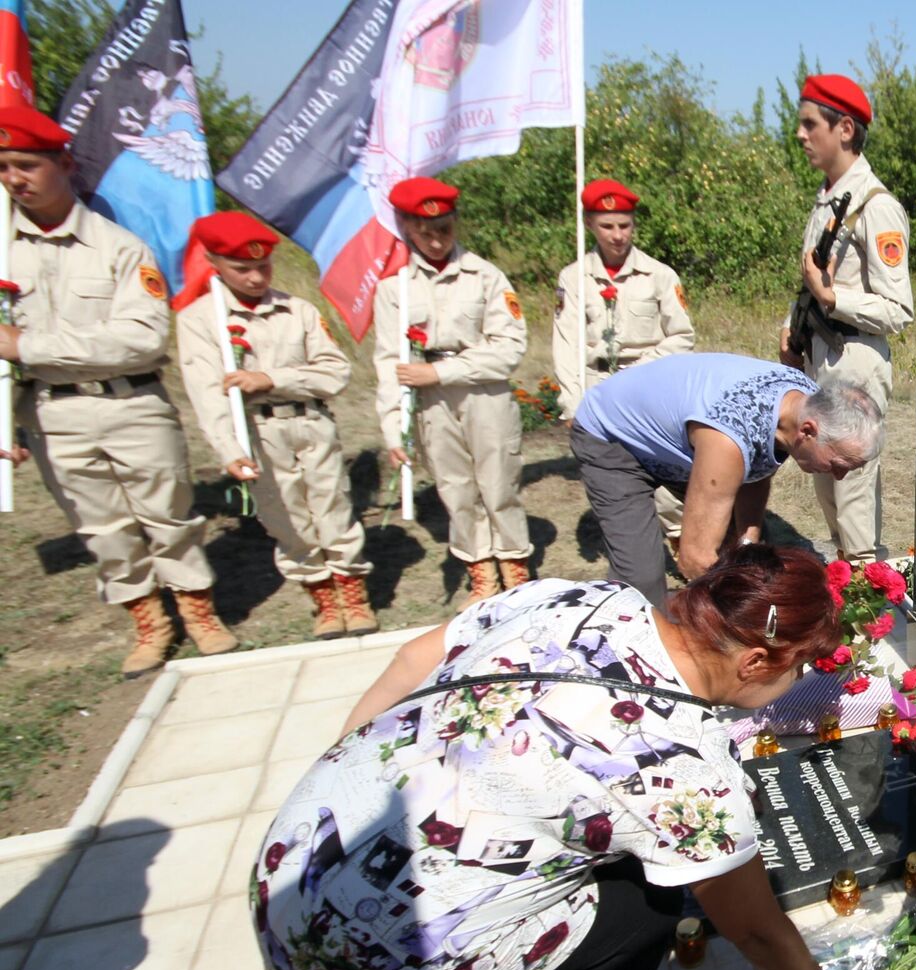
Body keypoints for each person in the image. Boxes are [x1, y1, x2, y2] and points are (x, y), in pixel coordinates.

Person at [252, 545, 873, 970]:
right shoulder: (691, 776)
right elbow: (755, 930)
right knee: (648, 903)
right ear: (756, 662)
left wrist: (362, 773)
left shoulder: (581, 598)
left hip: (291, 858)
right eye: (800, 668)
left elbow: (413, 662)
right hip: (365, 963)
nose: (798, 681)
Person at [0, 105, 237, 676]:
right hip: (53, 413)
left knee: (168, 515)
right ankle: (148, 624)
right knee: (101, 526)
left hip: (131, 403)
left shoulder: (119, 247)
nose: (15, 180)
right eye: (4, 168)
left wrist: (27, 345)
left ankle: (199, 614)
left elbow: (141, 339)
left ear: (64, 164)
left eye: (27, 165)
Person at [175, 211, 379, 640]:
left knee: (334, 509)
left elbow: (334, 372)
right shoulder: (199, 320)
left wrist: (272, 379)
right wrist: (229, 450)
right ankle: (322, 599)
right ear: (214, 263)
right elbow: (206, 393)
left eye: (262, 266)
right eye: (241, 268)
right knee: (285, 517)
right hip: (258, 433)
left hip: (311, 423)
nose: (254, 278)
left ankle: (353, 594)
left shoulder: (297, 310)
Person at [571, 352, 882, 604]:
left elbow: (756, 469)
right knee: (640, 579)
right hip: (614, 439)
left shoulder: (802, 404)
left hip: (685, 441)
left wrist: (748, 543)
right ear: (808, 432)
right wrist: (739, 619)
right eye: (839, 463)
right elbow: (695, 557)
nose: (840, 476)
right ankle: (633, 655)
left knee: (754, 556)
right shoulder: (731, 434)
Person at [373, 177, 533, 607]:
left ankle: (514, 567)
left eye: (444, 229)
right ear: (406, 227)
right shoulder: (395, 290)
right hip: (430, 404)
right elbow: (389, 363)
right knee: (455, 488)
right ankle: (480, 571)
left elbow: (509, 348)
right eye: (425, 231)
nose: (436, 240)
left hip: (484, 394)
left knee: (499, 482)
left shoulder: (485, 276)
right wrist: (394, 431)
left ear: (455, 222)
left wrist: (440, 371)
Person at [776, 73, 913, 561]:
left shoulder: (876, 207)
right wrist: (793, 334)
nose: (801, 134)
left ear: (846, 129)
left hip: (855, 363)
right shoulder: (831, 200)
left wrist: (833, 301)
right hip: (820, 360)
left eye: (811, 124)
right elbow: (813, 284)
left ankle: (867, 618)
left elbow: (898, 309)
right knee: (829, 498)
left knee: (853, 507)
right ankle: (850, 601)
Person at [554, 178, 697, 554]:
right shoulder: (574, 279)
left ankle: (687, 549)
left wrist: (642, 369)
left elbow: (682, 336)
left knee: (668, 474)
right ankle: (635, 554)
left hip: (647, 385)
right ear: (589, 224)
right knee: (613, 473)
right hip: (597, 384)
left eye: (624, 225)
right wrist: (573, 403)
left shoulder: (659, 275)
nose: (617, 235)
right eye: (607, 226)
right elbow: (566, 345)